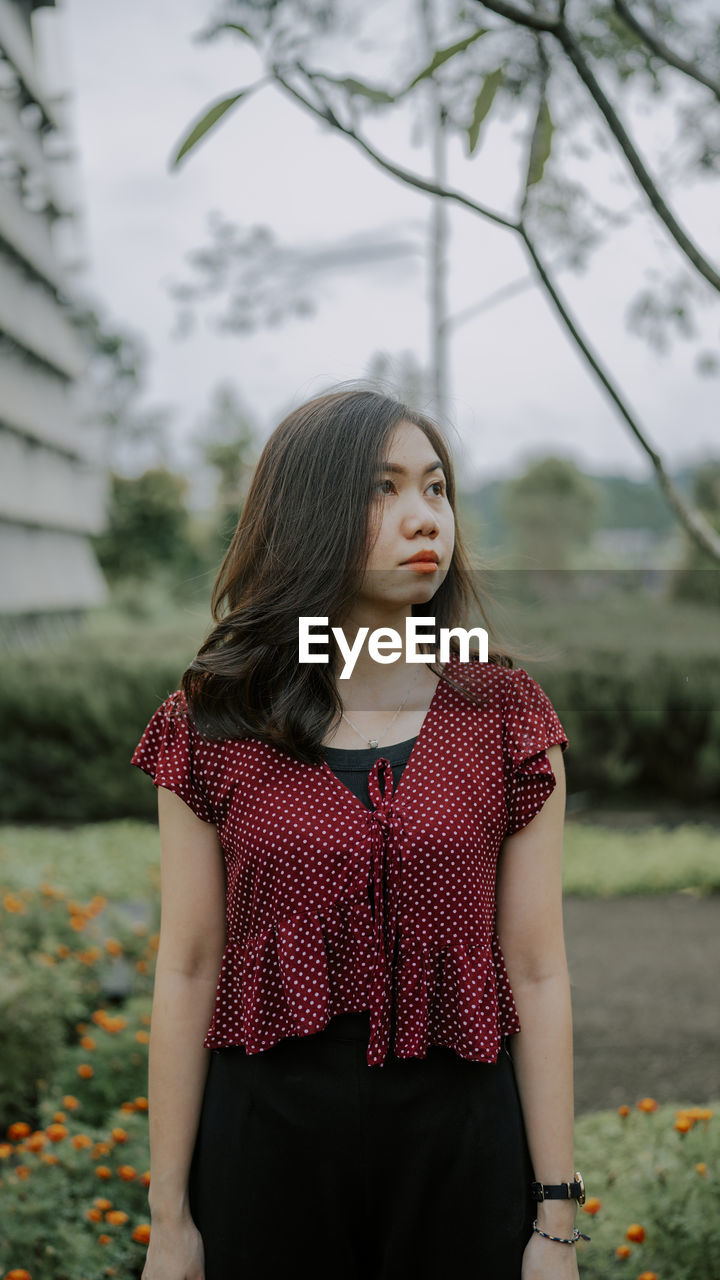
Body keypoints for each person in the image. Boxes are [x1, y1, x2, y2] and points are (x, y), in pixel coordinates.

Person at [130, 385, 588, 1280]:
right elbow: (187, 967)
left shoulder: (505, 714)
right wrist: (171, 1221)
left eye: (436, 488)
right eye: (385, 490)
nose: (425, 517)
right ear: (310, 515)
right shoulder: (211, 721)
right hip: (265, 1156)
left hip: (465, 1156)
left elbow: (537, 972)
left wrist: (555, 1224)